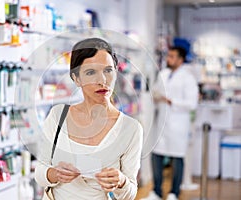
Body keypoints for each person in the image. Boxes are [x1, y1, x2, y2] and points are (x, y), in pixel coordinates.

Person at [35, 38, 143, 200]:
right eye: (91, 72)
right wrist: (54, 174)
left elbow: (130, 193)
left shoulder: (131, 129)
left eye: (108, 70)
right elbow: (40, 171)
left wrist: (121, 182)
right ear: (76, 78)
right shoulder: (58, 116)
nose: (102, 80)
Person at [142, 47, 198, 200]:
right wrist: (156, 96)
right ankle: (157, 192)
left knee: (177, 157)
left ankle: (174, 192)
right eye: (169, 56)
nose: (169, 59)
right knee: (156, 155)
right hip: (162, 122)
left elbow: (192, 103)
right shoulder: (164, 74)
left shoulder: (188, 78)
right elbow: (155, 90)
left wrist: (171, 101)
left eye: (172, 56)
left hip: (178, 123)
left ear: (181, 59)